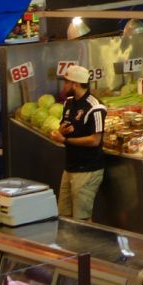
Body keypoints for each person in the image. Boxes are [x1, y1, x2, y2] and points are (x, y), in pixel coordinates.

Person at [57, 64, 107, 220]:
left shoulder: (96, 107)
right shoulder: (69, 103)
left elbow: (95, 140)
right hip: (70, 168)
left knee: (81, 219)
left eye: (66, 82)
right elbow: (62, 126)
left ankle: (82, 245)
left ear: (75, 84)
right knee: (63, 215)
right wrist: (62, 131)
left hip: (87, 170)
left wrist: (65, 140)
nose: (64, 86)